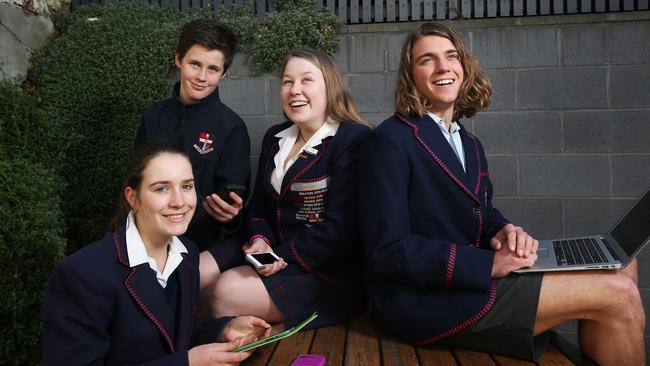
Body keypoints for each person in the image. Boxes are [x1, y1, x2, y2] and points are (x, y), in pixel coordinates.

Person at [357, 22, 645, 364]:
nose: (443, 67)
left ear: (463, 66)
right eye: (427, 60)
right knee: (618, 294)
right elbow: (387, 250)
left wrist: (506, 230)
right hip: (424, 300)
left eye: (451, 56)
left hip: (471, 280)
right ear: (410, 75)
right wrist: (489, 263)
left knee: (623, 267)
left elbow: (483, 212)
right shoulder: (390, 141)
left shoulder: (468, 143)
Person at [42, 143, 270, 365]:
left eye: (187, 186)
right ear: (132, 198)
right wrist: (187, 363)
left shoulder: (187, 254)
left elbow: (170, 333)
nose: (179, 202)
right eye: (162, 188)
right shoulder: (82, 274)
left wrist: (222, 329)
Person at [205, 48, 370, 329]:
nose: (295, 90)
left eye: (307, 80)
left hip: (328, 269)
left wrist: (281, 256)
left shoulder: (354, 139)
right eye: (287, 81)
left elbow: (340, 231)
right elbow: (258, 206)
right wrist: (260, 240)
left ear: (331, 87)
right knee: (194, 272)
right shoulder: (274, 137)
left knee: (224, 290)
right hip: (271, 249)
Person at [134, 19, 251, 292]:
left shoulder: (231, 127)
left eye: (213, 69)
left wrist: (231, 215)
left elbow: (235, 202)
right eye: (195, 64)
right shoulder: (152, 117)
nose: (201, 77)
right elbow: (135, 181)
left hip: (204, 244)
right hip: (150, 236)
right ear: (179, 60)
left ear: (224, 74)